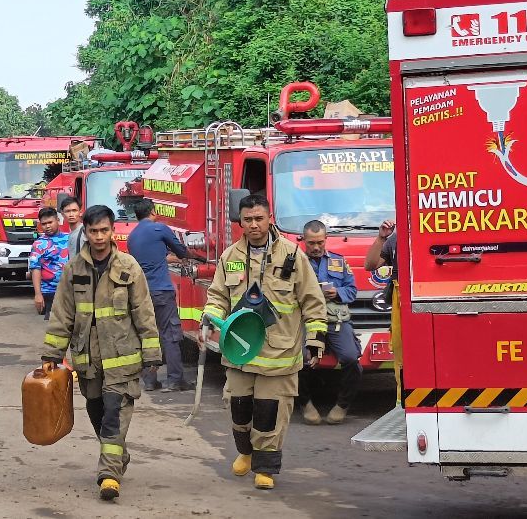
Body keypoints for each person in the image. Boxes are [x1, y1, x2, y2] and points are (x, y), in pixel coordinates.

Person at [203, 194, 327, 490]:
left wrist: (316, 340)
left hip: (279, 353)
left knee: (269, 413)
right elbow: (218, 296)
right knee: (239, 408)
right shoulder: (230, 257)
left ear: (270, 218)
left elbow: (313, 301)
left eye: (259, 218)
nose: (254, 225)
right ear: (241, 222)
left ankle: (265, 468)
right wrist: (208, 319)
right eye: (248, 220)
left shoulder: (293, 256)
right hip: (239, 351)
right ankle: (245, 452)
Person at [42, 205, 161, 502]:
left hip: (123, 358)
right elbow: (62, 314)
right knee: (97, 412)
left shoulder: (128, 267)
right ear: (86, 231)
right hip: (88, 360)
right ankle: (117, 454)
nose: (99, 237)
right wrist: (51, 354)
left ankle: (108, 475)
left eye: (104, 230)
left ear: (112, 230)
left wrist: (151, 352)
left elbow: (144, 312)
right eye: (93, 231)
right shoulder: (74, 269)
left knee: (113, 414)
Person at [296, 221, 361, 426]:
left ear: (326, 240)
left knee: (351, 359)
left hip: (336, 321)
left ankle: (342, 405)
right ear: (303, 240)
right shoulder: (296, 263)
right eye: (311, 243)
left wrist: (337, 293)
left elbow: (352, 291)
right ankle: (305, 403)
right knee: (301, 361)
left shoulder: (338, 262)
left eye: (320, 242)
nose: (316, 247)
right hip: (307, 321)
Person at [126, 197, 193, 392]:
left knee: (147, 335)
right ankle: (175, 380)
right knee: (170, 335)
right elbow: (181, 251)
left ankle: (150, 381)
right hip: (162, 291)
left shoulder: (132, 237)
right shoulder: (159, 229)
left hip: (140, 294)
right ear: (153, 212)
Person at [364, 218, 401, 404]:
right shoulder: (394, 240)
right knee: (402, 357)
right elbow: (370, 265)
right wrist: (381, 238)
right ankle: (401, 402)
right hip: (400, 304)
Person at [29, 207, 70, 320]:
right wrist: (38, 294)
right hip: (50, 292)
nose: (47, 226)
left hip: (69, 291)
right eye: (44, 224)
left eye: (50, 222)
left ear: (58, 220)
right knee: (54, 328)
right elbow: (35, 269)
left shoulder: (69, 239)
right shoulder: (38, 244)